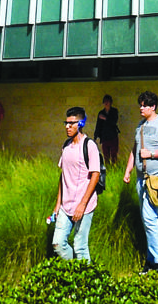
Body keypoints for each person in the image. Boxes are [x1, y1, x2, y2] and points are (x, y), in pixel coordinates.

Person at [122, 90, 158, 272]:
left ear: (153, 107)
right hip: (141, 178)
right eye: (140, 105)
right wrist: (128, 169)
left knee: (150, 218)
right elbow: (134, 149)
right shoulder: (140, 126)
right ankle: (152, 260)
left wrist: (151, 154)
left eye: (144, 105)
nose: (141, 108)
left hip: (157, 179)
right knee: (147, 219)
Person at [51, 107, 102, 261]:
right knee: (57, 244)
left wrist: (82, 204)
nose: (67, 126)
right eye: (66, 123)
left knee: (80, 246)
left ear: (80, 123)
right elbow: (63, 176)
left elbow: (95, 174)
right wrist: (57, 204)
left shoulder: (89, 145)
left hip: (84, 206)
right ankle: (74, 272)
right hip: (65, 207)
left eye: (71, 123)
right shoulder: (66, 146)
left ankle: (86, 279)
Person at [97, 94, 121, 166]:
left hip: (113, 136)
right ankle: (107, 169)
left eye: (107, 102)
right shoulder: (101, 112)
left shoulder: (114, 111)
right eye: (105, 102)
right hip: (105, 137)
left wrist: (105, 118)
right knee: (106, 156)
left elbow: (113, 122)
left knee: (114, 155)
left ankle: (114, 169)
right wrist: (97, 135)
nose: (106, 104)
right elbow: (98, 125)